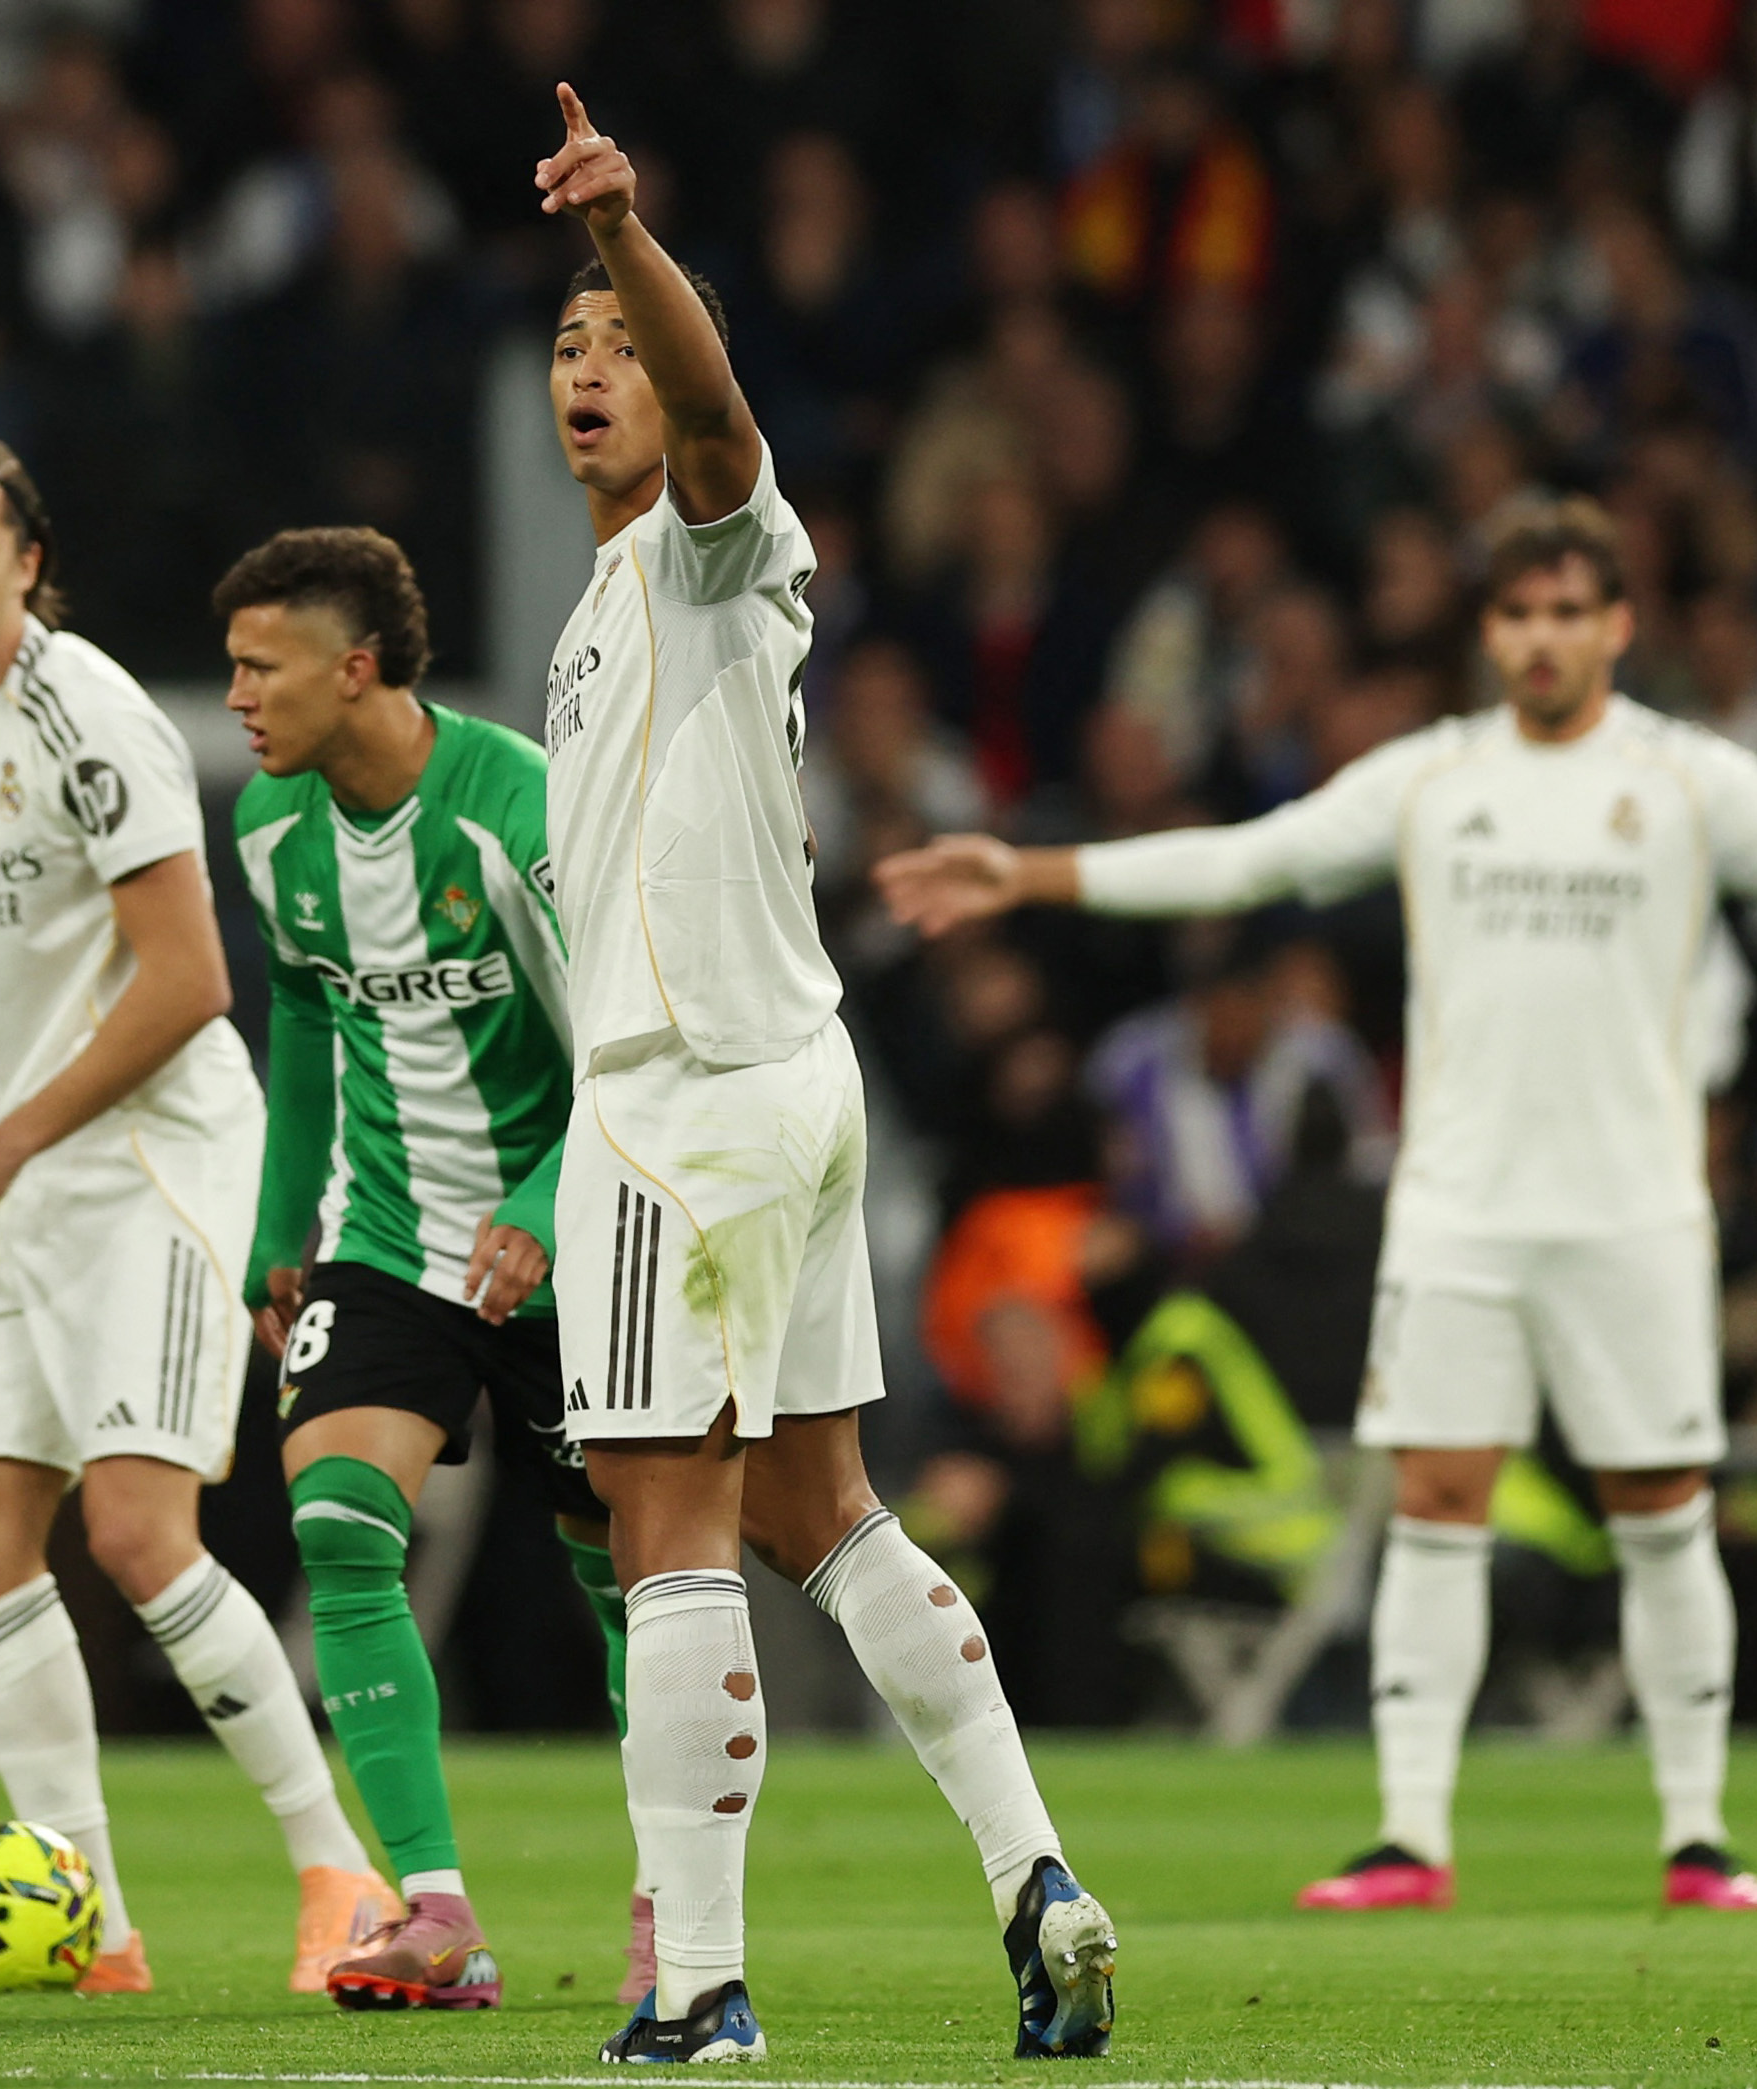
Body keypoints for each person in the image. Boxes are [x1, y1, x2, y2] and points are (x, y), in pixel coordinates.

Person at [878, 496, 1757, 1915]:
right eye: (1517, 614)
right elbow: (1251, 854)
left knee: (1663, 1507)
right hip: (1459, 1208)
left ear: (1617, 624)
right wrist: (1029, 870)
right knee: (1435, 1503)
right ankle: (1408, 1834)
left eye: (1568, 610)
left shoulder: (1684, 778)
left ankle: (1698, 1834)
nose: (1541, 638)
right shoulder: (1433, 777)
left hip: (1632, 1209)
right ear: (1489, 632)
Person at [528, 85, 1116, 2065]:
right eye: (568, 346)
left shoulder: (710, 545)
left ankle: (697, 1984)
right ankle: (1036, 1876)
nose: (592, 367)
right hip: (786, 1078)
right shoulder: (602, 615)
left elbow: (717, 420)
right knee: (823, 1506)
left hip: (685, 1095)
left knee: (665, 1524)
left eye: (619, 342)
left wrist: (621, 234)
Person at [0, 432, 392, 1998]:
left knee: (131, 1527)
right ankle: (90, 1927)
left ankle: (343, 1876)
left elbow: (188, 979)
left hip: (159, 1160)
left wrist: (0, 1143)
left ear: (28, 564)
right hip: (33, 1172)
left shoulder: (87, 713)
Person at [214, 525, 627, 2012]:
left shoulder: (519, 808)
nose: (237, 698)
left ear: (358, 667)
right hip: (391, 1240)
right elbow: (301, 1010)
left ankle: (675, 1904)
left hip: (576, 1235)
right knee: (337, 1523)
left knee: (631, 1577)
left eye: (261, 667)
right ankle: (435, 1914)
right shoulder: (272, 824)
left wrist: (543, 1200)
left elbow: (625, 1036)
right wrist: (281, 1225)